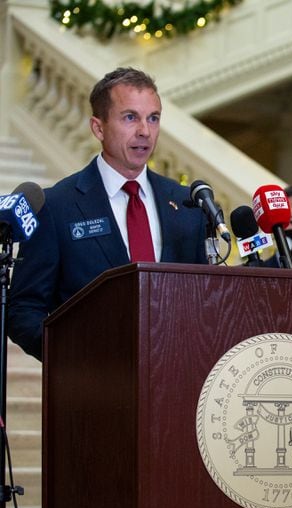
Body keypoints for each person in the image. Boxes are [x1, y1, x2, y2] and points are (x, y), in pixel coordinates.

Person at [8, 67, 206, 360]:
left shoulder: (186, 204)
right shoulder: (56, 206)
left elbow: (203, 301)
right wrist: (72, 358)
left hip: (173, 381)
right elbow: (24, 310)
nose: (145, 131)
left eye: (153, 118)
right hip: (90, 389)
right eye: (130, 117)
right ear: (98, 128)